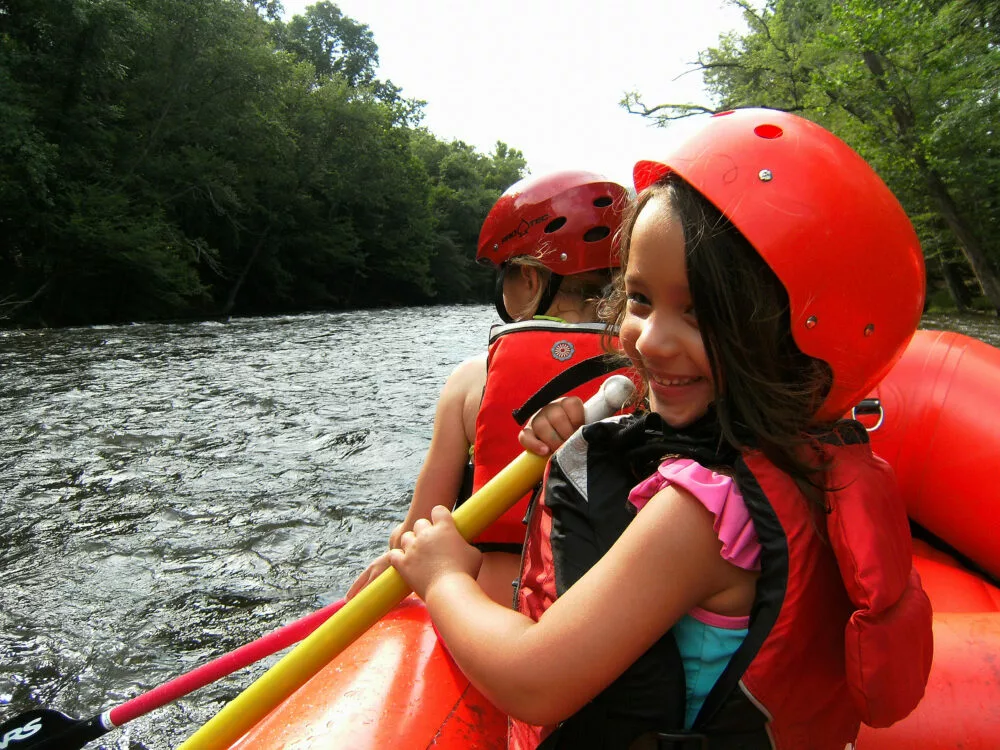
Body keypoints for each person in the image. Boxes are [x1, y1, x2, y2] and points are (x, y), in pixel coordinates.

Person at [388, 109, 934, 748]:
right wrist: (583, 444)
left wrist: (444, 577)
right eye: (641, 299)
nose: (650, 338)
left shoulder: (698, 519)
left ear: (799, 338)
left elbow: (531, 680)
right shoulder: (814, 460)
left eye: (699, 314)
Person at [347, 170, 629, 604]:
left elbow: (419, 530)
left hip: (491, 612)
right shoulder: (655, 371)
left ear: (531, 279)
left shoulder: (470, 379)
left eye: (507, 276)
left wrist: (396, 548)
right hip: (611, 610)